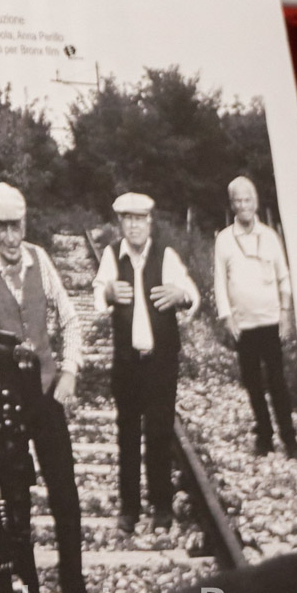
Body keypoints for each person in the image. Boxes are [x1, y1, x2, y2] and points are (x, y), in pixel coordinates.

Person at [0, 182, 88, 593]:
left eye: (17, 227)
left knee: (65, 495)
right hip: (6, 400)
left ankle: (76, 592)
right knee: (15, 501)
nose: (11, 238)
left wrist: (69, 371)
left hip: (46, 392)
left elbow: (70, 319)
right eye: (2, 228)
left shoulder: (40, 258)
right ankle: (28, 590)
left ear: (25, 225)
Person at [92, 192, 200, 533]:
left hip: (160, 362)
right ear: (120, 224)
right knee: (127, 433)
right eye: (128, 219)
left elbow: (193, 295)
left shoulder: (166, 256)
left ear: (149, 222)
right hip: (127, 362)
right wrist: (107, 293)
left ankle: (161, 507)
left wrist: (182, 296)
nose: (134, 226)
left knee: (159, 432)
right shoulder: (112, 256)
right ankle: (129, 509)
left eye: (140, 219)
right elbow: (97, 295)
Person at [213, 176, 297, 459]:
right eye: (238, 201)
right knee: (253, 384)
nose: (243, 205)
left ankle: (290, 439)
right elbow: (219, 282)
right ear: (232, 205)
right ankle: (264, 437)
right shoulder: (224, 239)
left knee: (277, 382)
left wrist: (286, 314)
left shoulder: (270, 236)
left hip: (271, 322)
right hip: (243, 325)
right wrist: (227, 317)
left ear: (256, 202)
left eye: (247, 200)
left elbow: (284, 277)